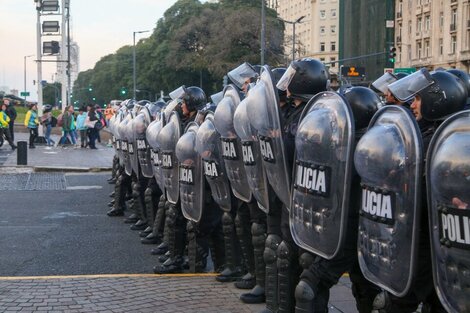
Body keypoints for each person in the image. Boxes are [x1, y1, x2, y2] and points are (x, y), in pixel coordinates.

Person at [373, 69, 468, 313]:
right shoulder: (422, 134)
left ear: (436, 100)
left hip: (438, 241)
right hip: (419, 237)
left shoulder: (454, 142)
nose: (412, 104)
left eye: (417, 99)